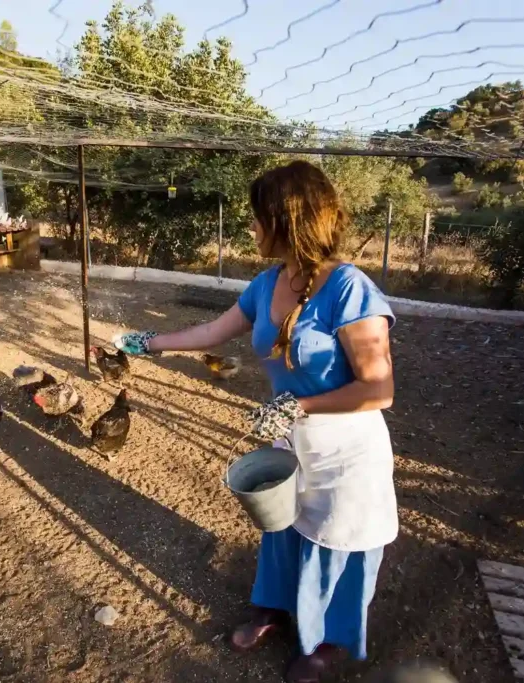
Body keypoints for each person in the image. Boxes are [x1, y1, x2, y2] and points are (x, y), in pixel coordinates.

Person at [115, 160, 398, 683]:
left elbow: (378, 389)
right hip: (292, 436)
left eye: (257, 216)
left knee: (336, 536)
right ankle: (273, 609)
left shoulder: (349, 289)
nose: (250, 227)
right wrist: (145, 342)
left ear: (287, 219)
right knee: (283, 524)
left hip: (346, 444)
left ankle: (323, 642)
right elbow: (212, 332)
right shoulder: (268, 284)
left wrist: (300, 406)